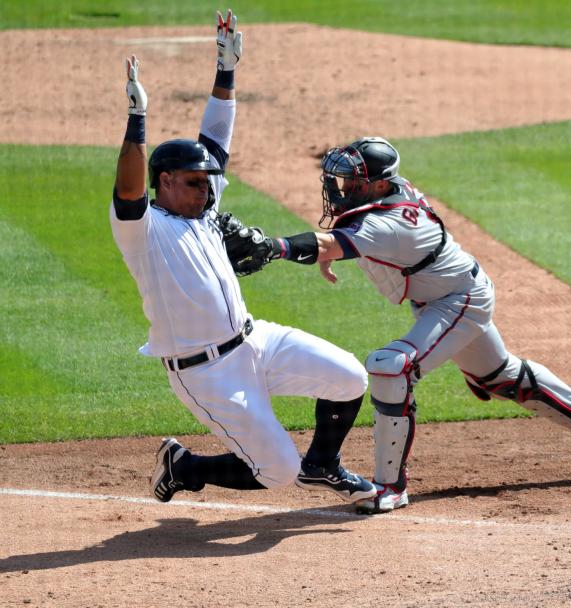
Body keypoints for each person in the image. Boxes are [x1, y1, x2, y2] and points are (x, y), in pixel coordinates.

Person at [250, 136, 571, 513]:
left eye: (351, 181)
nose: (340, 188)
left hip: (459, 301)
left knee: (392, 368)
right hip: (448, 298)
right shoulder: (388, 194)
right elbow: (345, 240)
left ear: (379, 184)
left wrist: (270, 246)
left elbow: (330, 243)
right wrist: (330, 249)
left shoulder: (389, 223)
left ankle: (389, 487)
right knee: (498, 376)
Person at [110, 11, 375, 505]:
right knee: (277, 472)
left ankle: (323, 467)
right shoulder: (143, 229)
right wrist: (137, 120)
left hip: (256, 341)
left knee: (349, 376)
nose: (207, 191)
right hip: (204, 373)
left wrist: (226, 70)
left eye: (209, 182)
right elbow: (126, 188)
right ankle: (185, 466)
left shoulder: (205, 211)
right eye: (194, 182)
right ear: (164, 181)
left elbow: (215, 137)